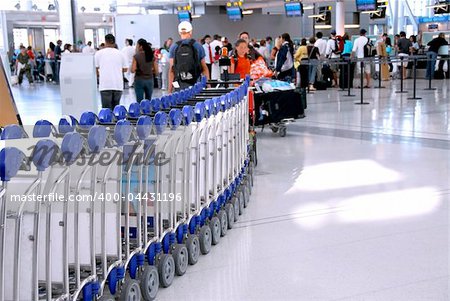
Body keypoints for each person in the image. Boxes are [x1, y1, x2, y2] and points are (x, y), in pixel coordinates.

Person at [168, 21, 209, 93]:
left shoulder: (174, 47)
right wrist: (208, 85)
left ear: (179, 32)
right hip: (196, 84)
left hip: (179, 85)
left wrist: (170, 90)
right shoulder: (198, 46)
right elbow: (204, 68)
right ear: (190, 32)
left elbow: (172, 70)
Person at [95, 34, 128, 109]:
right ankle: (116, 121)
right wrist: (117, 68)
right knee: (116, 109)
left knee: (106, 110)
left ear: (105, 41)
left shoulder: (99, 53)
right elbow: (125, 69)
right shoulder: (121, 53)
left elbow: (96, 69)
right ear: (114, 42)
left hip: (105, 84)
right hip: (118, 85)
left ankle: (108, 121)